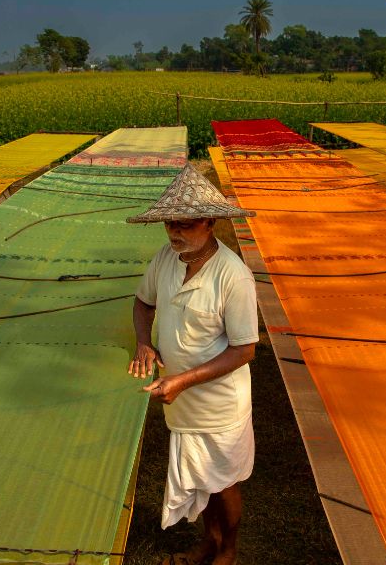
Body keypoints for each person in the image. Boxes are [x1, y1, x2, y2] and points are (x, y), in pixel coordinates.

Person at [126, 164, 258, 565]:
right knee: (204, 477)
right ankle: (208, 543)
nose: (175, 232)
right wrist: (144, 342)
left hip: (219, 404)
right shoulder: (166, 259)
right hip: (182, 398)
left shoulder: (233, 277)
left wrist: (183, 380)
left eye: (185, 224)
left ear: (211, 222)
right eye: (170, 224)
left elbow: (244, 350)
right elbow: (143, 302)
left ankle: (227, 551)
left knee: (223, 482)